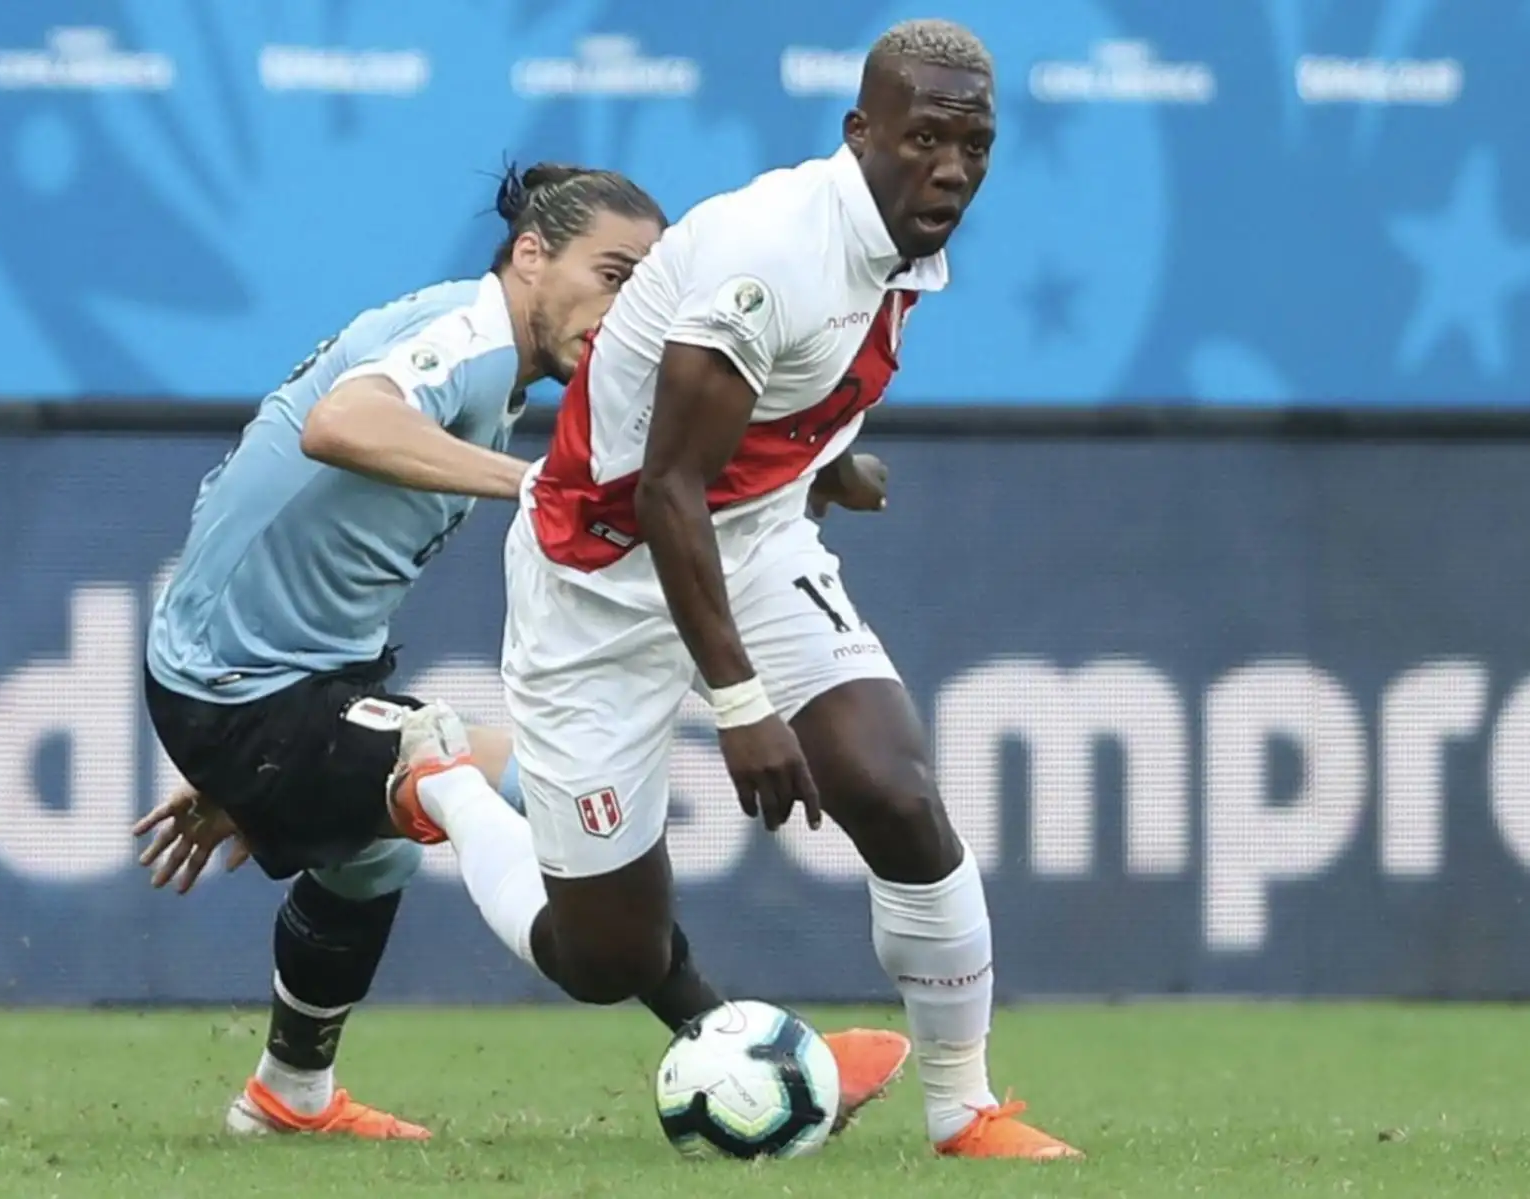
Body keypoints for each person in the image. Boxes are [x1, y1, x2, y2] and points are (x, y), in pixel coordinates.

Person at [387, 20, 1082, 1159]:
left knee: (892, 789)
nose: (952, 168)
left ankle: (965, 1108)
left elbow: (767, 411)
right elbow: (666, 485)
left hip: (748, 545)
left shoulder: (901, 243)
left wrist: (827, 462)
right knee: (606, 955)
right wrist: (743, 704)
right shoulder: (772, 255)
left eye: (975, 145)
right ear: (861, 132)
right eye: (926, 139)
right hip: (599, 582)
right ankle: (450, 783)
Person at [138, 162, 910, 1140]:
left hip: (282, 685)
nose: (625, 310)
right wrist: (536, 482)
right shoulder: (466, 335)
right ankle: (739, 1042)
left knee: (498, 821)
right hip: (243, 688)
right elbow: (341, 423)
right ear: (531, 255)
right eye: (612, 275)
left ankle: (289, 1091)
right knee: (439, 765)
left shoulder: (495, 368)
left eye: (648, 289)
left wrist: (819, 466)